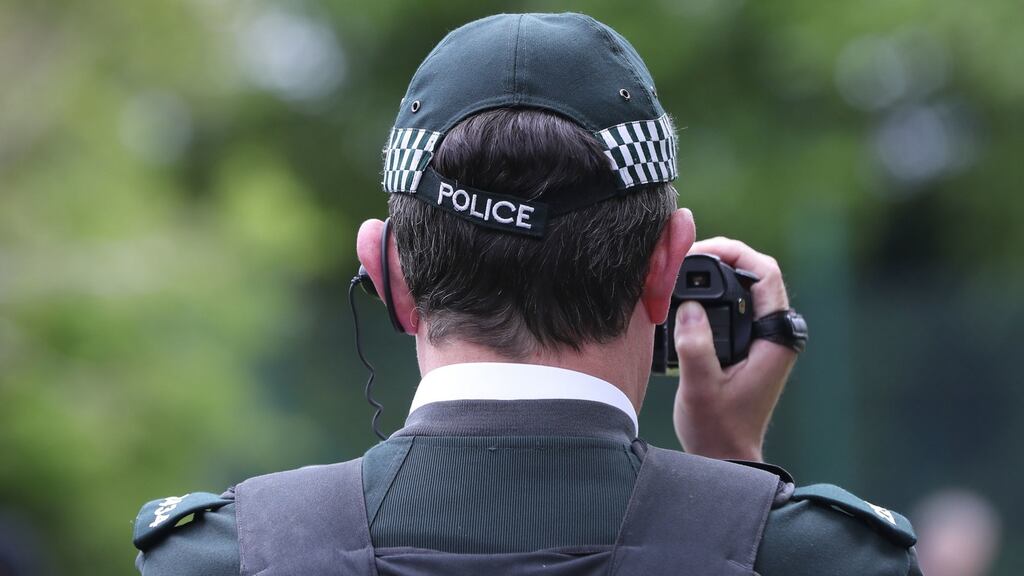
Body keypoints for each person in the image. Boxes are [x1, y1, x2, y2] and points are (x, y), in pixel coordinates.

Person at [132, 12, 922, 575]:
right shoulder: (824, 558)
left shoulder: (218, 557)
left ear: (387, 273)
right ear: (666, 268)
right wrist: (734, 479)